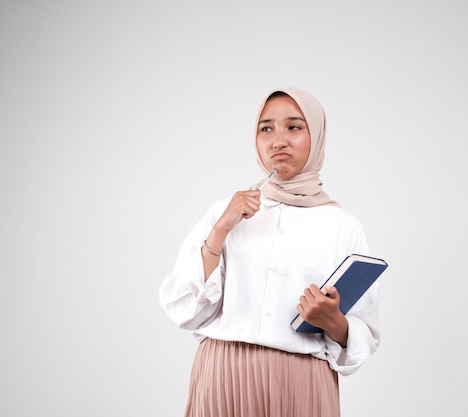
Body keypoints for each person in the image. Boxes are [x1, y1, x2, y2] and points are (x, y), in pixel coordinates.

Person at [159, 87, 380, 417]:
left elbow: (364, 336)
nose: (278, 140)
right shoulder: (225, 213)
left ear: (316, 135)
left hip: (303, 382)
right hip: (223, 375)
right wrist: (219, 231)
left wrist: (335, 323)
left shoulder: (343, 226)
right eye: (266, 128)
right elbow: (186, 311)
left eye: (294, 127)